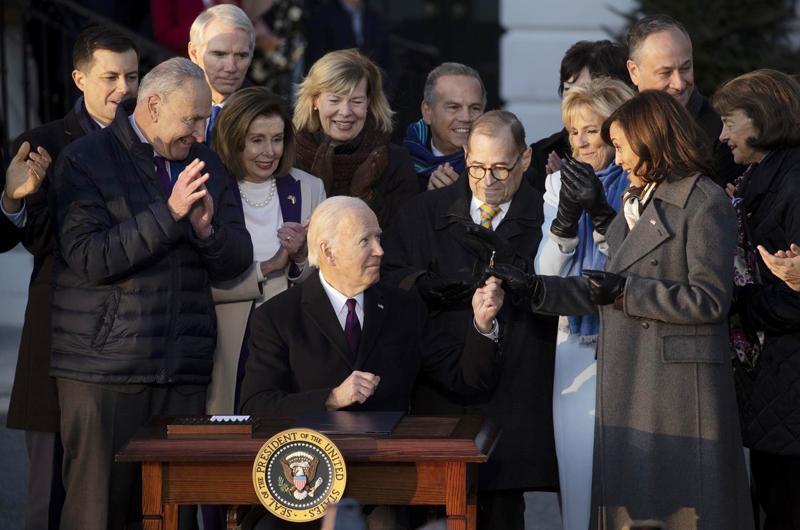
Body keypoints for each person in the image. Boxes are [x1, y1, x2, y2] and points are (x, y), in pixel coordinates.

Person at [487, 90, 752, 530]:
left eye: (624, 145)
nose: (619, 157)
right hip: (633, 375)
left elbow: (709, 299)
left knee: (686, 513)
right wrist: (535, 288)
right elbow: (603, 287)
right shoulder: (638, 199)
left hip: (679, 391)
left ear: (652, 140)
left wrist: (628, 291)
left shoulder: (705, 201)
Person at [49, 57, 253, 530]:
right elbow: (89, 257)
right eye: (192, 119)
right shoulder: (86, 159)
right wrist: (170, 212)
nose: (201, 133)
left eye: (205, 119)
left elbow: (237, 257)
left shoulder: (207, 163)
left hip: (182, 370)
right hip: (103, 370)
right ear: (154, 106)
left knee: (173, 514)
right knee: (98, 513)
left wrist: (207, 232)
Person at [239, 196, 503, 529]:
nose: (380, 250)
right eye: (366, 240)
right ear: (329, 251)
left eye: (378, 238)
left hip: (386, 488)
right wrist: (331, 399)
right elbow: (257, 406)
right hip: (303, 492)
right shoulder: (277, 317)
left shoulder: (405, 308)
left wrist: (482, 325)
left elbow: (466, 378)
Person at [381, 109, 557, 530]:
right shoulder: (424, 212)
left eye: (500, 168)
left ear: (526, 159)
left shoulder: (550, 217)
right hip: (440, 392)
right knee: (438, 512)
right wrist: (423, 285)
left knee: (501, 512)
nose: (488, 180)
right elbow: (387, 278)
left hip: (516, 389)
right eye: (476, 167)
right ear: (464, 155)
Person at [4, 26, 138, 530]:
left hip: (133, 344)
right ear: (80, 78)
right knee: (48, 500)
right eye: (110, 76)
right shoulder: (40, 143)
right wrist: (14, 199)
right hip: (58, 339)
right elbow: (25, 237)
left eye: (131, 76)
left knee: (122, 496)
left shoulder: (152, 142)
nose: (123, 88)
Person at [535, 77, 635, 530]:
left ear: (617, 133)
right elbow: (546, 276)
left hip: (629, 338)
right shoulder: (557, 183)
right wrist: (564, 222)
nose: (579, 142)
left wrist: (601, 214)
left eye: (590, 131)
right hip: (572, 342)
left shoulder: (640, 181)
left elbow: (632, 265)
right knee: (576, 476)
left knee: (628, 481)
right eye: (573, 132)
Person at [712, 69, 800, 528]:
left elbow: (794, 302)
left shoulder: (793, 181)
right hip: (776, 389)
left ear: (762, 118)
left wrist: (736, 302)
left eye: (730, 121)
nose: (723, 135)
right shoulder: (760, 178)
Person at [207, 86, 326, 416]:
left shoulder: (310, 187)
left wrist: (301, 258)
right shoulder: (210, 190)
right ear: (234, 139)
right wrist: (266, 268)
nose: (269, 151)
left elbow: (329, 280)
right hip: (229, 345)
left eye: (277, 139)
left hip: (296, 341)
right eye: (257, 139)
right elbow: (196, 281)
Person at [293, 49, 417, 229]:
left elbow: (404, 235)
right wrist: (317, 192)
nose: (345, 112)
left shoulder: (396, 161)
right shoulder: (289, 156)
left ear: (369, 103)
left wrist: (364, 197)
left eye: (356, 101)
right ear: (315, 101)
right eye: (334, 100)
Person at [626, 14, 743, 187]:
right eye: (665, 73)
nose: (679, 84)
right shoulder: (620, 126)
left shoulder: (722, 131)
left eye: (685, 68)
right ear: (634, 72)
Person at [525, 40, 632, 192]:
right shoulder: (541, 154)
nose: (574, 98)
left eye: (585, 89)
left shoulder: (636, 161)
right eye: (568, 89)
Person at [404, 62, 486, 192]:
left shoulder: (500, 167)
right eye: (453, 107)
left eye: (475, 108)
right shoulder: (399, 165)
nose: (466, 118)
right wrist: (430, 201)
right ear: (427, 112)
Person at [188, 4, 255, 145]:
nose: (231, 67)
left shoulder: (274, 113)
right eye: (219, 54)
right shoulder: (169, 110)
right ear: (194, 53)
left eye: (241, 55)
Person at [304, 0, 393, 76]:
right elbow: (316, 60)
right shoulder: (322, 17)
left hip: (373, 87)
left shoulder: (376, 19)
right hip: (336, 84)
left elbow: (388, 61)